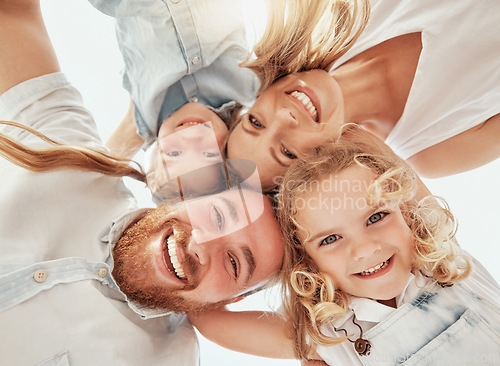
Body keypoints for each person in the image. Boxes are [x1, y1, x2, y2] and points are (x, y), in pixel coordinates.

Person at [0, 1, 284, 364]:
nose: (200, 244)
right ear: (189, 196)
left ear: (229, 303)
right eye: (217, 214)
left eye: (233, 264)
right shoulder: (68, 156)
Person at [189, 127, 500, 365]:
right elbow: (210, 320)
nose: (364, 249)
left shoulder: (447, 265)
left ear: (406, 212)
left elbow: (355, 132)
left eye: (376, 216)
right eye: (330, 239)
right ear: (308, 263)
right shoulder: (327, 334)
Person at [226, 0, 500, 190]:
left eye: (256, 122)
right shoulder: (435, 149)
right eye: (286, 151)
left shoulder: (343, 12)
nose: (283, 116)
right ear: (319, 167)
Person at [88, 0, 258, 159]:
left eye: (174, 153)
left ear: (155, 159)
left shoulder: (147, 119)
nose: (191, 137)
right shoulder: (249, 89)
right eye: (209, 154)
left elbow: (98, 176)